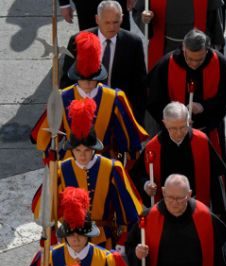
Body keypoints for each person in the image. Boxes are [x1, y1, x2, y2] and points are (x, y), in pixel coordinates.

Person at [32, 97, 143, 250]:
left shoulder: (112, 168)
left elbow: (128, 209)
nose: (82, 155)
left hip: (104, 240)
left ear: (94, 149)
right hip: (71, 240)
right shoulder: (59, 170)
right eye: (77, 150)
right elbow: (46, 209)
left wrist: (123, 241)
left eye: (86, 150)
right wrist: (50, 234)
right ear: (71, 150)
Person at [31, 32, 148, 162]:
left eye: (92, 79)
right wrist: (50, 154)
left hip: (105, 162)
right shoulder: (62, 98)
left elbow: (127, 138)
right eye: (82, 78)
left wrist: (124, 158)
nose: (87, 83)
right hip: (70, 162)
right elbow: (46, 136)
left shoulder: (114, 98)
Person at [147, 29, 226, 165]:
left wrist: (204, 107)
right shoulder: (167, 64)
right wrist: (175, 120)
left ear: (207, 51)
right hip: (174, 133)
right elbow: (154, 100)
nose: (194, 64)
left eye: (199, 59)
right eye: (189, 58)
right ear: (184, 48)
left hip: (208, 129)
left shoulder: (219, 63)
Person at [140, 102, 226, 225]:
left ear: (189, 121)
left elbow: (214, 175)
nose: (178, 133)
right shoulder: (152, 148)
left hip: (196, 205)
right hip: (166, 208)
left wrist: (219, 209)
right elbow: (138, 174)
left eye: (182, 127)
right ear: (165, 123)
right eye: (173, 128)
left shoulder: (201, 141)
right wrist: (146, 185)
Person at [60, 1, 147, 120]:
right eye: (107, 22)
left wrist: (136, 118)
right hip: (87, 111)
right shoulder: (79, 40)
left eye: (115, 22)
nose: (111, 27)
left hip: (119, 112)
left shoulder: (133, 43)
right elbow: (67, 80)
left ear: (122, 19)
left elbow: (139, 85)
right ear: (97, 19)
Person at [135, 0, 226, 69]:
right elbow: (139, 10)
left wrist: (217, 47)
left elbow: (215, 18)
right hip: (165, 48)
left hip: (197, 49)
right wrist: (145, 19)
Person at [60, 0, 131, 32]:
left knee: (122, 39)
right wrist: (64, 4)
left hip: (118, 2)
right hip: (87, 4)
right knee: (89, 40)